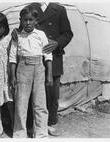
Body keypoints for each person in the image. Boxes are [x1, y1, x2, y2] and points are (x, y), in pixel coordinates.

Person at [26, 2, 73, 136]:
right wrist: (15, 33)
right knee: (32, 91)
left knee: (52, 92)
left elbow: (68, 33)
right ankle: (32, 123)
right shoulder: (31, 7)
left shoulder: (59, 9)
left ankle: (52, 122)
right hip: (34, 56)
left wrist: (57, 43)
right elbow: (23, 28)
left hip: (54, 55)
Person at [9, 6, 53, 138]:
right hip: (23, 68)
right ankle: (19, 133)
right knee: (21, 103)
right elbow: (12, 57)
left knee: (40, 103)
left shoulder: (41, 35)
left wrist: (49, 74)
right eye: (25, 20)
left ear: (36, 21)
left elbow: (48, 55)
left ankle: (40, 133)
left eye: (31, 20)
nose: (28, 23)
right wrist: (12, 76)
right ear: (20, 20)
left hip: (39, 68)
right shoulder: (17, 36)